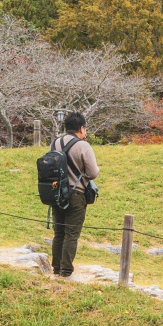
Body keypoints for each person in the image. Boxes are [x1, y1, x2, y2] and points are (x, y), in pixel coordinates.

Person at [51, 112, 99, 279]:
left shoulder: (55, 143)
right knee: (72, 234)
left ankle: (56, 269)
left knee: (59, 233)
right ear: (81, 128)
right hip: (76, 194)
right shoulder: (83, 146)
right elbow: (93, 173)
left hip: (57, 194)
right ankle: (66, 271)